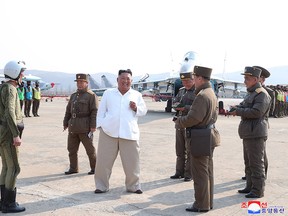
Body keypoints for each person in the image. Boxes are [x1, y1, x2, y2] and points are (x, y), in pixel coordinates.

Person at [175, 66, 220, 212]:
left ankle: (201, 205)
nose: (193, 81)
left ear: (200, 78)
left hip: (200, 137)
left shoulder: (201, 95)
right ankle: (208, 202)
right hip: (208, 135)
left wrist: (179, 121)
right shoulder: (210, 92)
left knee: (200, 174)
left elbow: (194, 118)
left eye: (194, 78)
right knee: (207, 173)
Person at [94, 69, 147, 194]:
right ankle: (101, 186)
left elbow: (144, 110)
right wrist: (101, 125)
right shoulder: (108, 93)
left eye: (128, 79)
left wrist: (136, 108)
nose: (125, 81)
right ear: (117, 80)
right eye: (123, 78)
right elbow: (101, 111)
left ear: (131, 81)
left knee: (132, 163)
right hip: (108, 132)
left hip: (129, 133)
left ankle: (133, 186)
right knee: (103, 162)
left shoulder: (136, 95)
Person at [228, 66, 271, 198]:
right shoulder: (252, 92)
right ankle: (250, 186)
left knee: (256, 163)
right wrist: (236, 108)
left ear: (255, 79)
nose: (244, 81)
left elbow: (257, 112)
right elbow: (245, 105)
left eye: (247, 78)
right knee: (248, 162)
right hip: (249, 132)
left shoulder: (261, 94)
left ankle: (258, 190)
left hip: (256, 132)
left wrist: (238, 111)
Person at [0, 60, 26, 213]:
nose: (23, 75)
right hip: (9, 134)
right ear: (15, 73)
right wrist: (16, 135)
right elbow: (10, 112)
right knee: (14, 168)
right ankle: (9, 204)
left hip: (2, 132)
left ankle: (3, 201)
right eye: (21, 72)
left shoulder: (3, 87)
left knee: (6, 167)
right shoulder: (11, 89)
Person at [63, 73, 98, 175]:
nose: (79, 84)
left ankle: (95, 168)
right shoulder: (74, 96)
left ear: (86, 83)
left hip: (85, 127)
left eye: (82, 82)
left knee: (90, 150)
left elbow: (94, 111)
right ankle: (73, 168)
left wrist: (93, 126)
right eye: (78, 82)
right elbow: (68, 111)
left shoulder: (91, 96)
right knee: (71, 150)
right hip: (73, 127)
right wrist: (65, 122)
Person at [170, 70, 196, 182]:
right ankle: (179, 172)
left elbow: (197, 108)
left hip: (189, 123)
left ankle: (188, 174)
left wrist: (185, 108)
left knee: (189, 150)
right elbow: (174, 102)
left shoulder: (197, 92)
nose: (185, 83)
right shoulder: (181, 91)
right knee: (179, 150)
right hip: (179, 123)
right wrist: (176, 106)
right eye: (183, 81)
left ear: (193, 80)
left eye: (187, 81)